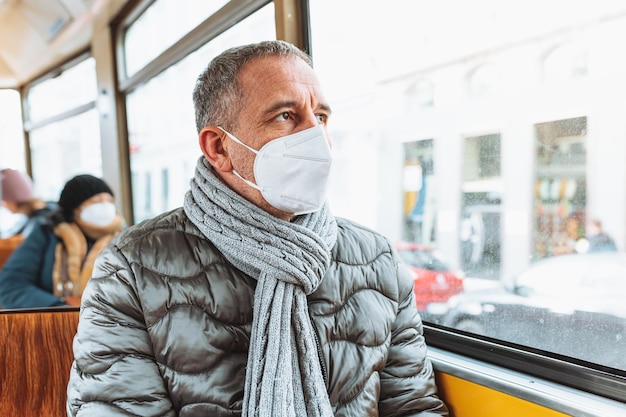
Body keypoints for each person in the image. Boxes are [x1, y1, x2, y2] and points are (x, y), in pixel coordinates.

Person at [66, 41, 449, 417]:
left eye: (321, 117)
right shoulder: (131, 267)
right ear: (218, 147)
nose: (317, 138)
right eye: (285, 115)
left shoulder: (376, 258)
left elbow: (413, 405)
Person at [0, 174, 124, 309]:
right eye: (96, 201)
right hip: (55, 322)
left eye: (109, 200)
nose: (105, 206)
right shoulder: (46, 235)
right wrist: (60, 308)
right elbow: (11, 285)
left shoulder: (128, 239)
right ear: (75, 209)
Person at [1, 168, 57, 238]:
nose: (2, 205)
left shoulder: (36, 225)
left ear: (12, 200)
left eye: (2, 200)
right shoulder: (50, 209)